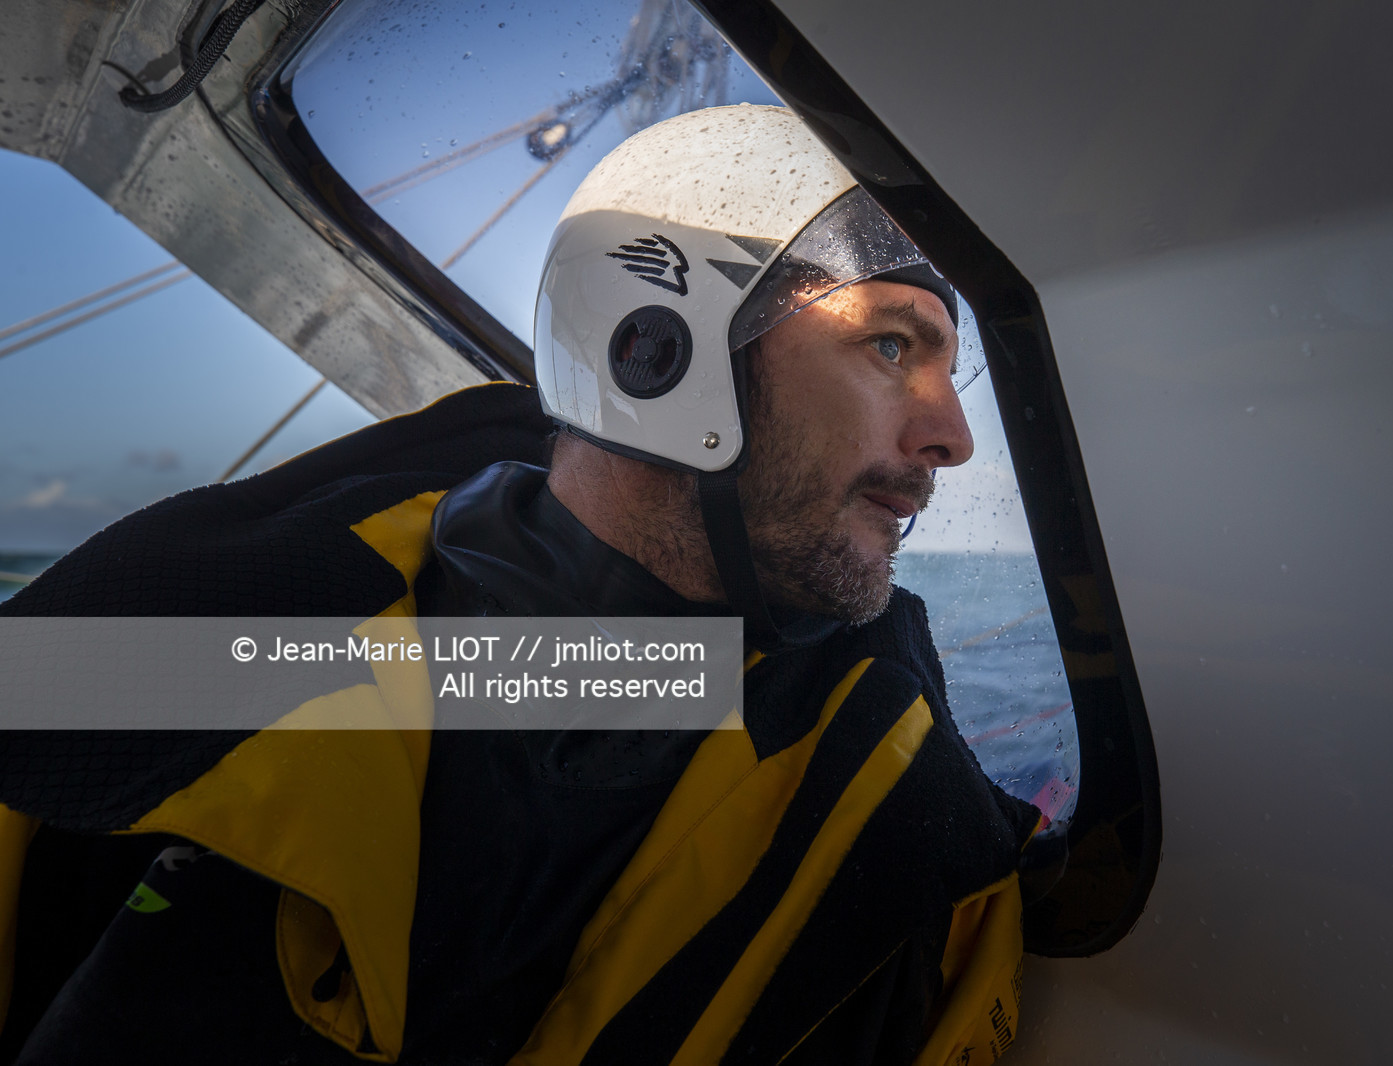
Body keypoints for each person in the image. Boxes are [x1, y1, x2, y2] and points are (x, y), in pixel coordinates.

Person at [0, 105, 1049, 1065]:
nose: (951, 435)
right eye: (888, 343)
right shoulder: (193, 625)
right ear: (656, 353)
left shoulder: (922, 851)